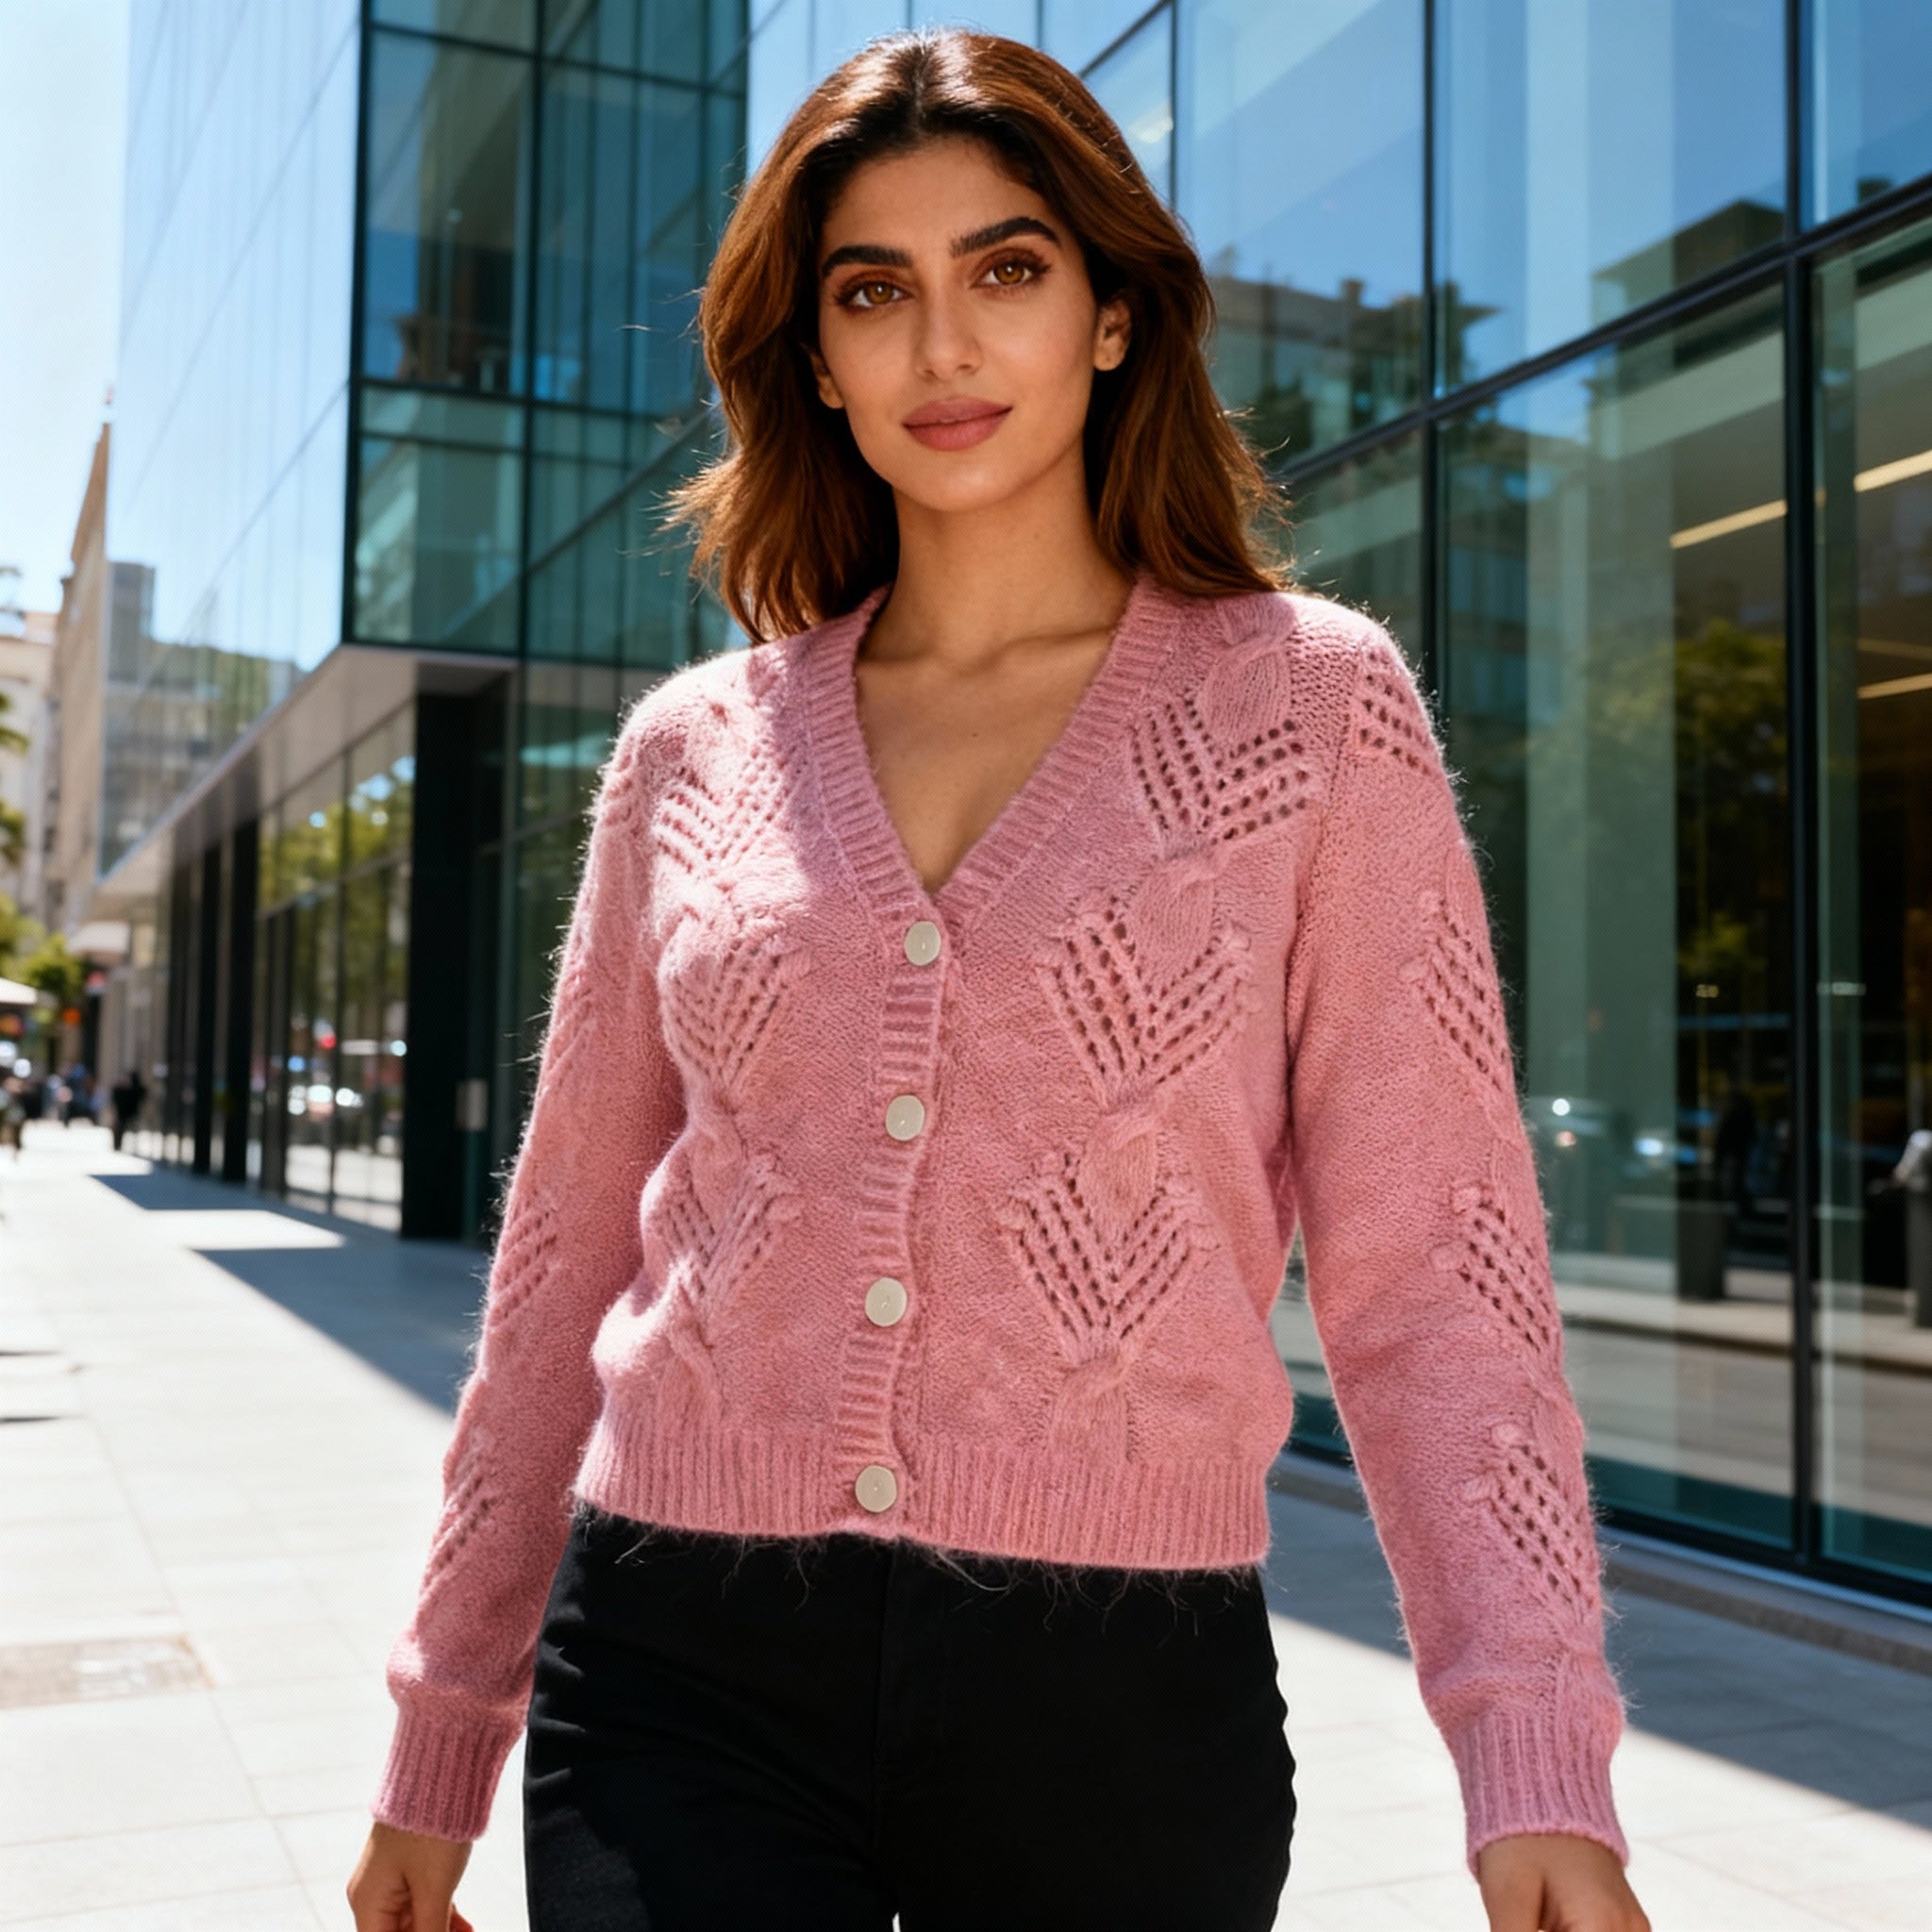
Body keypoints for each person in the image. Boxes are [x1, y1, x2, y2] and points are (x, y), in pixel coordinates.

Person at [349, 28, 1648, 1932]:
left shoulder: (1310, 711)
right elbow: (562, 1263)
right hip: (675, 1663)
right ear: (815, 359)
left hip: (1115, 1694)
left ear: (1114, 315)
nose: (943, 348)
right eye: (874, 293)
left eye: (1007, 271)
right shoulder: (692, 752)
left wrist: (1530, 1747)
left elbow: (1433, 1280)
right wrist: (441, 1721)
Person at [109, 1068, 146, 1152]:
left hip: (127, 1115)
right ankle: (117, 1145)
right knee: (119, 1127)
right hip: (126, 1114)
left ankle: (117, 1145)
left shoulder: (130, 1091)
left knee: (119, 1127)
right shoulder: (128, 1090)